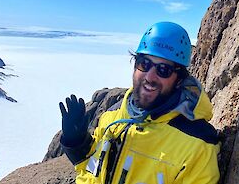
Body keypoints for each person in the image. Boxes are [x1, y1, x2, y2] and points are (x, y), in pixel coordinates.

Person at [59, 22, 220, 184]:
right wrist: (78, 144)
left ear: (179, 80)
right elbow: (92, 170)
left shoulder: (197, 146)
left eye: (163, 70)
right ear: (135, 66)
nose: (150, 77)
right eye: (144, 63)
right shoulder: (113, 117)